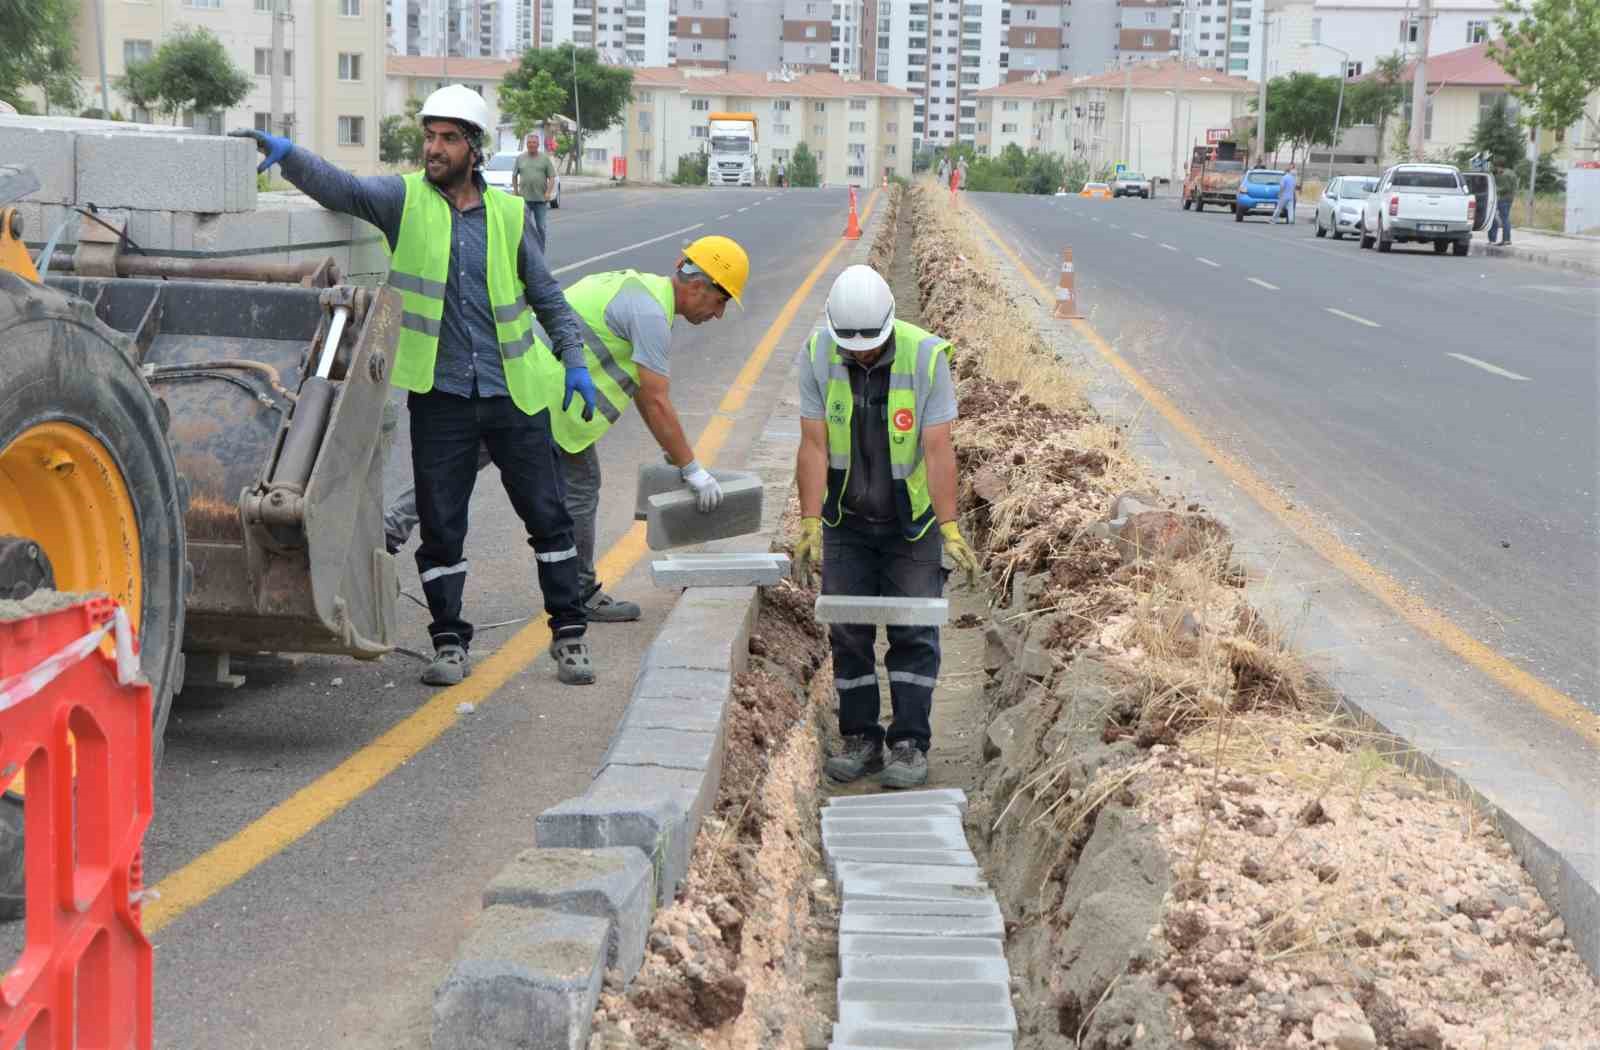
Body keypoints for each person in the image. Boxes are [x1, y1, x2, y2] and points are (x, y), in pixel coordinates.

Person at [231, 84, 598, 689]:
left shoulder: (509, 216)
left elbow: (547, 295)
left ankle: (570, 634)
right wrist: (291, 155)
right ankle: (449, 643)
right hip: (442, 396)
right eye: (429, 136)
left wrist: (574, 358)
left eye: (449, 138)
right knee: (441, 522)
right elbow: (343, 190)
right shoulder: (403, 200)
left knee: (549, 518)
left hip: (516, 394)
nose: (435, 147)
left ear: (474, 149)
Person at [383, 237, 750, 623]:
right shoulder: (651, 316)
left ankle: (388, 530)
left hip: (521, 379)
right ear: (698, 286)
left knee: (463, 469)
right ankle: (579, 591)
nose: (719, 314)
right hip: (535, 394)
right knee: (550, 484)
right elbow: (657, 400)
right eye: (721, 301)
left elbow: (645, 393)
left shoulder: (634, 287)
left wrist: (678, 454)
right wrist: (693, 470)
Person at [791, 265, 979, 790]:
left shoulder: (925, 357)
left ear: (890, 324)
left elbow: (939, 448)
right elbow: (814, 443)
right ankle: (861, 738)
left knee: (914, 630)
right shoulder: (816, 355)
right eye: (851, 348)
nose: (861, 355)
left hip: (910, 526)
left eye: (869, 346)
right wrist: (809, 518)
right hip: (845, 521)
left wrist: (951, 525)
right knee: (849, 632)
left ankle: (909, 744)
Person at [511, 132, 560, 251]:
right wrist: (516, 191)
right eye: (529, 143)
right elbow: (514, 175)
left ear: (538, 144)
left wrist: (548, 192)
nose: (531, 145)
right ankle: (524, 252)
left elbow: (552, 177)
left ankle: (540, 251)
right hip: (524, 200)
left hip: (540, 199)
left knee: (541, 227)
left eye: (534, 143)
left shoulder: (544, 158)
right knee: (523, 228)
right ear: (526, 144)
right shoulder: (520, 158)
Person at [1489, 159, 1519, 246]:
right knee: (1505, 218)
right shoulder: (1511, 172)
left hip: (1502, 198)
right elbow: (1514, 186)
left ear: (1499, 167)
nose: (1496, 169)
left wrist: (1495, 190)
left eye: (1496, 167)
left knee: (1496, 218)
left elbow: (1506, 187)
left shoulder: (1504, 174)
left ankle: (1497, 239)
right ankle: (1506, 239)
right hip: (1510, 198)